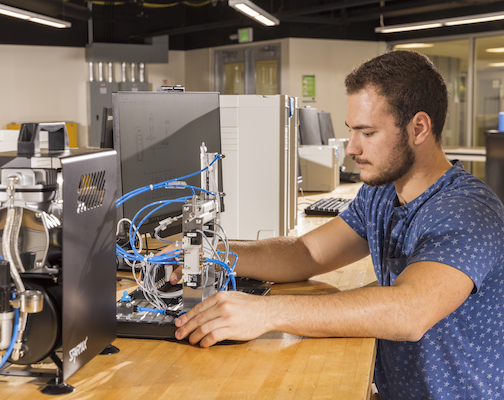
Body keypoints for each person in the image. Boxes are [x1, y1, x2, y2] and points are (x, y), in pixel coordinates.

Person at [167, 50, 504, 399]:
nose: (351, 148)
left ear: (419, 128)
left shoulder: (468, 211)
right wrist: (213, 253)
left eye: (368, 133)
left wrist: (265, 313)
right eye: (351, 131)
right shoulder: (381, 195)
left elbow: (410, 311)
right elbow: (306, 253)